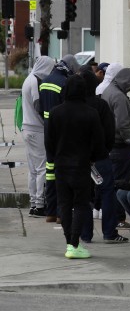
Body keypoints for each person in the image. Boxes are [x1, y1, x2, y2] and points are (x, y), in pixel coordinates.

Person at [44, 74, 106, 260]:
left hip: (61, 165)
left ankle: (69, 243)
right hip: (82, 165)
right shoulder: (91, 113)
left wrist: (56, 156)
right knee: (80, 204)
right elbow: (98, 142)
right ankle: (74, 243)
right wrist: (93, 158)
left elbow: (49, 141)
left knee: (64, 204)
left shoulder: (56, 112)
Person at [79, 68, 118, 245]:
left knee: (83, 195)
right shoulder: (101, 106)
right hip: (101, 158)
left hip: (80, 159)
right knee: (108, 191)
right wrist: (104, 150)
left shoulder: (74, 106)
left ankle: (85, 234)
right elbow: (110, 132)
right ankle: (109, 232)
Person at [102, 66, 130, 229]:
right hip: (120, 147)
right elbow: (122, 124)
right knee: (121, 183)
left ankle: (115, 217)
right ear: (125, 81)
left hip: (112, 145)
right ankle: (118, 218)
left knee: (113, 182)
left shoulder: (109, 91)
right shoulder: (118, 97)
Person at [39, 56, 75, 221]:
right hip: (61, 131)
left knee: (50, 171)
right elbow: (67, 109)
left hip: (48, 130)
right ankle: (62, 213)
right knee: (62, 172)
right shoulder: (64, 83)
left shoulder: (45, 81)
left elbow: (40, 109)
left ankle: (51, 212)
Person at [20, 56, 55, 218]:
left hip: (27, 128)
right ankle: (40, 205)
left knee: (33, 169)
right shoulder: (34, 81)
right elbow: (37, 104)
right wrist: (47, 121)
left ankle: (34, 203)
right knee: (42, 168)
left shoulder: (27, 79)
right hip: (36, 129)